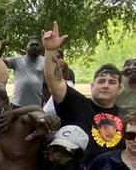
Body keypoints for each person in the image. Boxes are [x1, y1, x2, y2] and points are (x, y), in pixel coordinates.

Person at [41, 22, 126, 162]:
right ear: (92, 86)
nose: (105, 85)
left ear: (120, 89)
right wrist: (51, 50)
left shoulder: (126, 117)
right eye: (101, 81)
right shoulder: (76, 103)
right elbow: (55, 82)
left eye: (112, 82)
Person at [0, 34, 46, 108]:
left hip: (36, 106)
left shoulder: (45, 61)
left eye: (37, 45)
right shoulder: (17, 61)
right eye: (32, 45)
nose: (34, 47)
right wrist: (2, 47)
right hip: (16, 105)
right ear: (26, 47)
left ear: (41, 47)